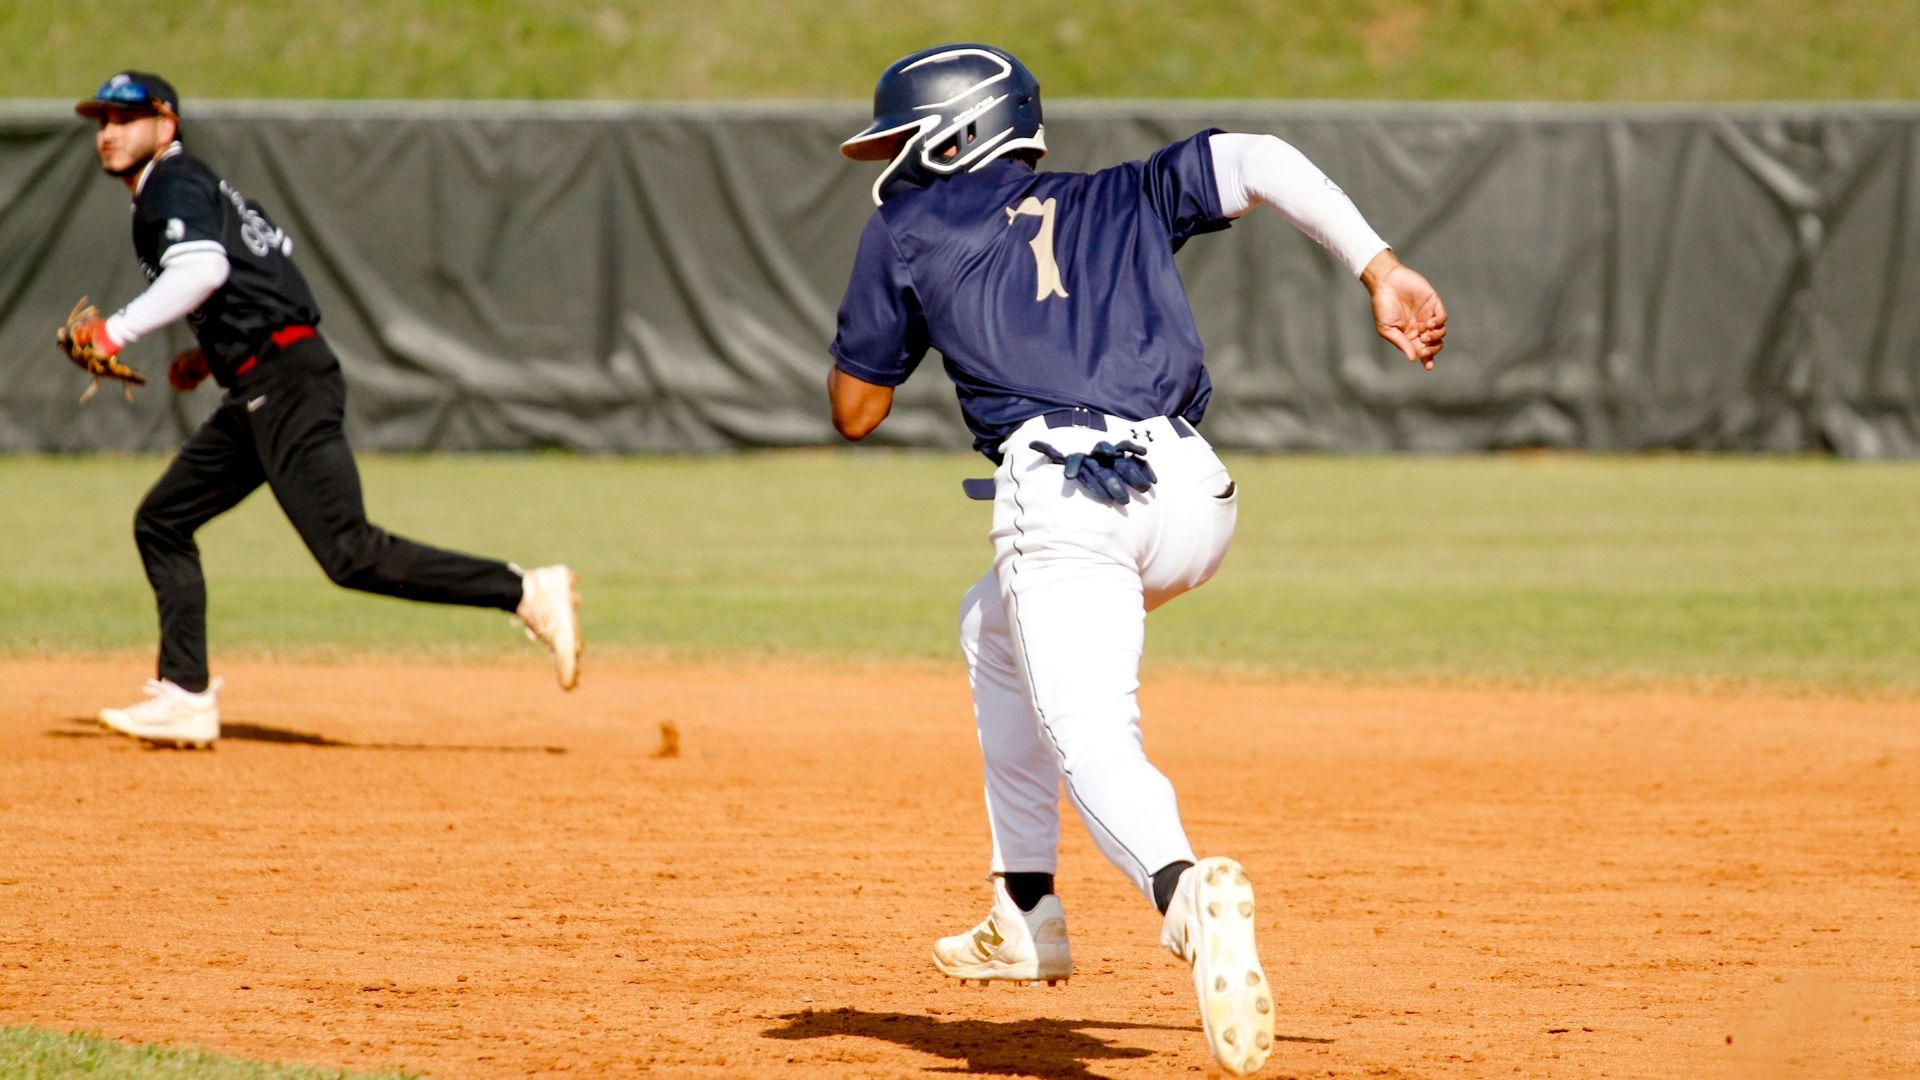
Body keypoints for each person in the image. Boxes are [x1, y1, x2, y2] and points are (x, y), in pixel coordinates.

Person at [826, 45, 1446, 1076]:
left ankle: (1185, 891)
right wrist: (1380, 268)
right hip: (1193, 495)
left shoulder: (907, 224)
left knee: (1090, 734)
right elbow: (1257, 155)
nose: (891, 159)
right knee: (992, 627)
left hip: (1066, 490)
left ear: (954, 129)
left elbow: (857, 410)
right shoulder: (1122, 194)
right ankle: (1024, 911)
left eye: (900, 137)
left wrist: (912, 305)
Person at [72, 72, 583, 750]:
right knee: (163, 520)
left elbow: (203, 272)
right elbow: (265, 274)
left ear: (165, 127)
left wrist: (117, 331)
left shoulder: (170, 183)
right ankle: (185, 696)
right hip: (268, 376)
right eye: (102, 118)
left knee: (350, 553)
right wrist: (212, 354)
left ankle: (522, 590)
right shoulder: (197, 185)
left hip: (282, 383)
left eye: (126, 117)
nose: (108, 130)